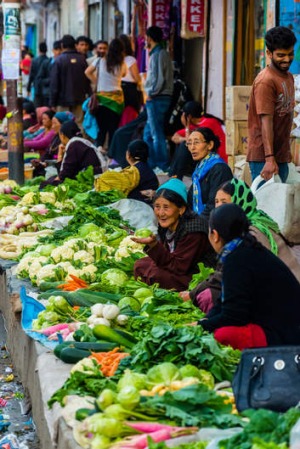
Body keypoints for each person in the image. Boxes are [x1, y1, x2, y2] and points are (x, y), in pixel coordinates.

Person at [180, 177, 300, 312]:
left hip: (284, 294)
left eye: (224, 202)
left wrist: (192, 294)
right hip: (279, 287)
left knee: (209, 295)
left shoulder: (251, 233)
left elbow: (231, 273)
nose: (218, 207)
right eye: (216, 202)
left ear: (239, 202)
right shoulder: (249, 223)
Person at [197, 203, 300, 349]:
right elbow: (223, 302)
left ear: (215, 235)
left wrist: (203, 326)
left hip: (285, 335)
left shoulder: (238, 259)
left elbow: (233, 316)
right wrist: (204, 321)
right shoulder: (244, 248)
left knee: (222, 335)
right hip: (282, 325)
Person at [132, 178, 216, 291]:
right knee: (140, 265)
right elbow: (168, 254)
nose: (161, 213)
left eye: (166, 207)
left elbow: (178, 266)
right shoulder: (168, 224)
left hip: (196, 274)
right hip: (179, 266)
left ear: (181, 209)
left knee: (156, 276)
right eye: (157, 207)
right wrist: (154, 247)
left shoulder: (194, 230)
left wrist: (154, 246)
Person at [247, 26, 297, 182]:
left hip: (279, 156)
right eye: (281, 55)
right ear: (269, 53)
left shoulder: (288, 77)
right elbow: (265, 121)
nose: (287, 59)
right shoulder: (266, 81)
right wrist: (269, 158)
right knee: (266, 205)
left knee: (279, 205)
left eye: (290, 54)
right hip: (265, 158)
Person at [85, 38, 127, 150]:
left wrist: (97, 82)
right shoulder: (122, 64)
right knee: (113, 129)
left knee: (102, 129)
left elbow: (87, 72)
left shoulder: (100, 61)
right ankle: (112, 155)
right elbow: (123, 75)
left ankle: (98, 150)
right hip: (117, 100)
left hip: (102, 99)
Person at [169, 101, 227, 179]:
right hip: (207, 155)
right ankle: (174, 175)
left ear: (189, 117)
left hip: (218, 159)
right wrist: (185, 134)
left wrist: (186, 128)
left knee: (185, 145)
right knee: (184, 144)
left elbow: (188, 141)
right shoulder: (196, 125)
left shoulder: (208, 123)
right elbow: (174, 137)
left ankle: (176, 177)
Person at [143, 26, 173, 173]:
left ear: (149, 37)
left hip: (157, 98)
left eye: (146, 37)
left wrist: (151, 93)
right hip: (158, 97)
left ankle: (161, 165)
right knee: (148, 134)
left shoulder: (158, 55)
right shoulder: (159, 53)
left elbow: (158, 79)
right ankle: (152, 164)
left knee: (156, 134)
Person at [40, 120, 103, 187]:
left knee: (45, 184)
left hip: (92, 180)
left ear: (62, 135)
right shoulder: (78, 142)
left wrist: (60, 155)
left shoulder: (73, 145)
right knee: (51, 179)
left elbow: (64, 176)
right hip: (91, 177)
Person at [187, 127, 232, 218]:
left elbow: (214, 205)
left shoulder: (220, 169)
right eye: (189, 143)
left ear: (210, 145)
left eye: (196, 142)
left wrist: (197, 224)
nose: (192, 147)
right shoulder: (199, 170)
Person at [94, 139, 158, 203]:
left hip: (139, 204)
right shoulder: (146, 168)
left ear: (128, 155)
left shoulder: (134, 171)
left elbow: (104, 183)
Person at [49, 34, 91, 125]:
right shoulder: (82, 59)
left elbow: (54, 84)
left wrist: (52, 102)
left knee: (62, 124)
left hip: (62, 100)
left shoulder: (59, 60)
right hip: (79, 99)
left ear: (62, 46)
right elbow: (87, 80)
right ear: (75, 45)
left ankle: (66, 139)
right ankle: (78, 139)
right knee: (79, 124)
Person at [31, 111, 75, 177]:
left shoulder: (68, 139)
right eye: (52, 123)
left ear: (63, 124)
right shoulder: (55, 137)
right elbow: (47, 153)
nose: (53, 126)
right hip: (51, 168)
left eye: (55, 123)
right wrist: (40, 162)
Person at [119, 34, 142, 114]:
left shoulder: (114, 60)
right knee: (132, 112)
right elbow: (136, 78)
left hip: (118, 88)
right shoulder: (130, 59)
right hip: (129, 89)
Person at [35, 40, 62, 108]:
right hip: (47, 96)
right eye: (56, 50)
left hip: (61, 98)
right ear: (53, 50)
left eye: (60, 50)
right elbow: (39, 79)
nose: (58, 52)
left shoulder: (64, 63)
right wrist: (51, 80)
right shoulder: (46, 63)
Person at [27, 42, 49, 107]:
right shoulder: (49, 60)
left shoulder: (34, 61)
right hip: (46, 88)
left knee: (37, 107)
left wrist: (28, 89)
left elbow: (31, 75)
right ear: (47, 50)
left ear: (39, 50)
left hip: (36, 87)